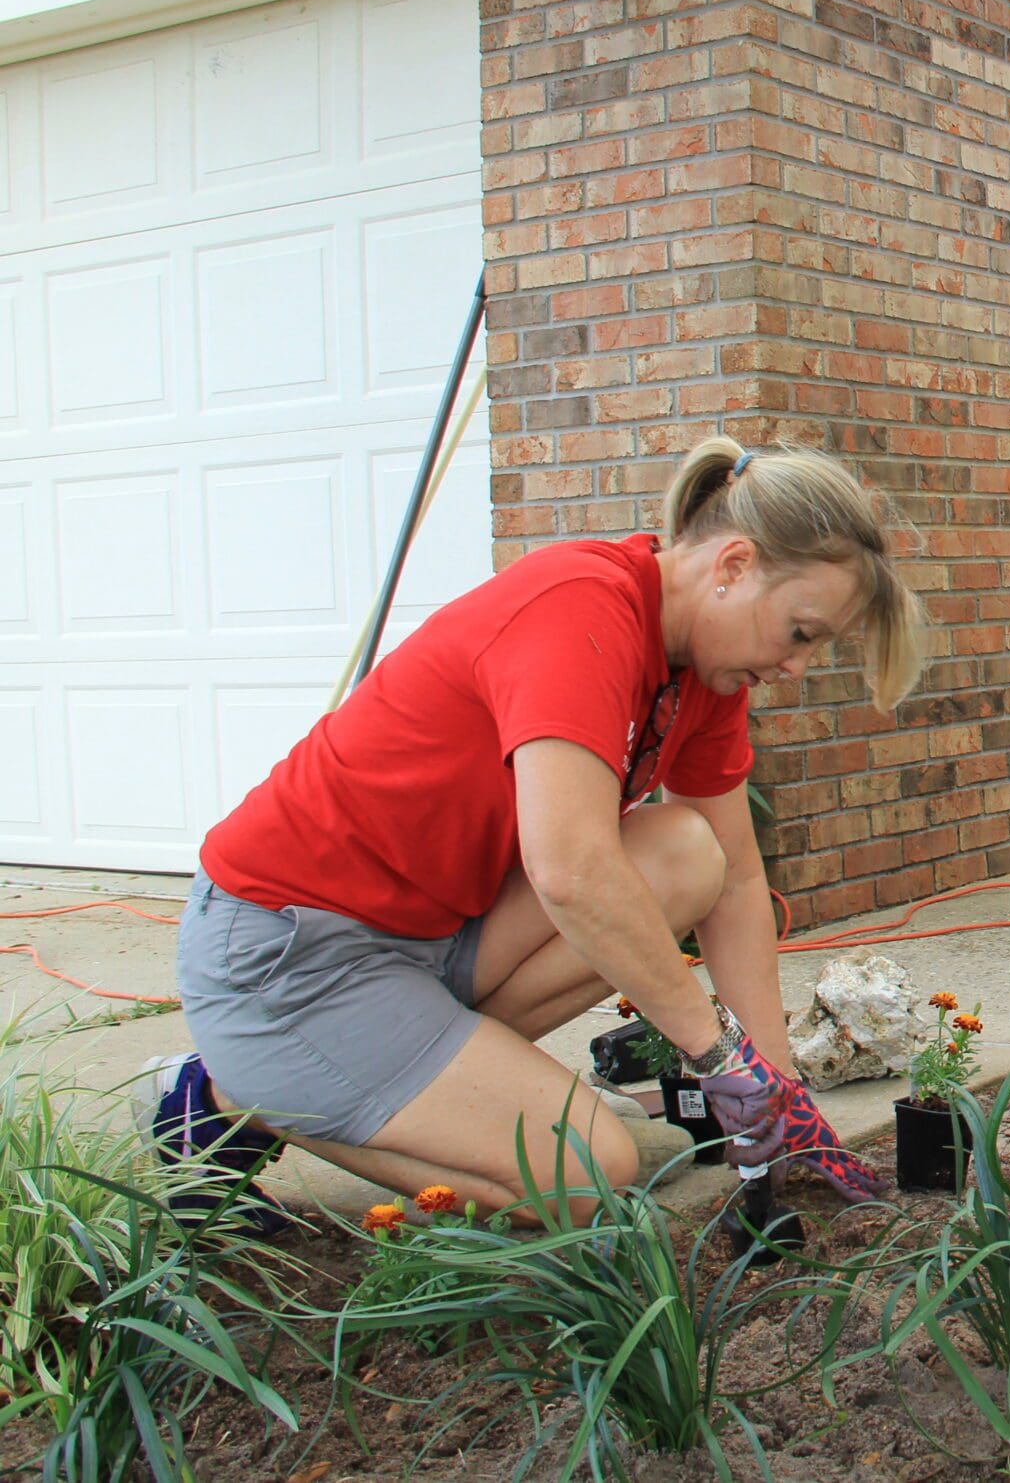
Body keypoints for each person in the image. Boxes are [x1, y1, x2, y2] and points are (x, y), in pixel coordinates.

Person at [141, 438, 930, 1226]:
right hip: (288, 952)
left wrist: (779, 1095)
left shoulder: (703, 673)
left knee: (690, 855)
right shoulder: (579, 609)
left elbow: (737, 883)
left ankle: (380, 1080)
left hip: (432, 938)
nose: (798, 666)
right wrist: (720, 1055)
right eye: (800, 632)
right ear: (733, 565)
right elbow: (571, 871)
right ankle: (237, 1091)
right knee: (588, 1175)